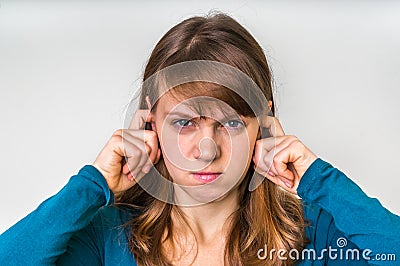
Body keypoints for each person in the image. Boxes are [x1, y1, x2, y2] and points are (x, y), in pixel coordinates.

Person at [0, 12, 399, 266]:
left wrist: (318, 180)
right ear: (149, 124)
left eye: (230, 123)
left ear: (264, 123)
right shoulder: (109, 237)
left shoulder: (313, 237)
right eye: (184, 123)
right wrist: (91, 186)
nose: (206, 151)